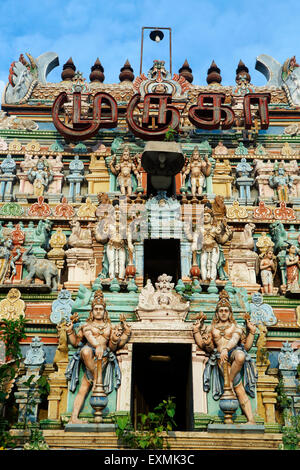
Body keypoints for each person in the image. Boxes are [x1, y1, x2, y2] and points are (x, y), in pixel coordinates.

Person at [193, 290, 257, 424]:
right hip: (221, 359)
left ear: (230, 313)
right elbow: (204, 346)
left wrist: (251, 332)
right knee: (238, 389)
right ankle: (247, 419)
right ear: (217, 313)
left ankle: (228, 385)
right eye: (221, 310)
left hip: (232, 353)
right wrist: (197, 331)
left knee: (240, 356)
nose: (223, 313)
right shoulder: (212, 328)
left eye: (226, 311)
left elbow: (242, 344)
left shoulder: (236, 327)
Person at [65, 292, 131, 424]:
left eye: (101, 309)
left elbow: (114, 347)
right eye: (96, 309)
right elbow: (76, 343)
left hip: (103, 358)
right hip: (91, 357)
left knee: (84, 387)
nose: (98, 311)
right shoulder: (86, 326)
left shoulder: (110, 327)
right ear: (92, 311)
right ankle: (96, 382)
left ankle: (75, 416)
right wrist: (69, 331)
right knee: (85, 350)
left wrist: (122, 334)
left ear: (104, 311)